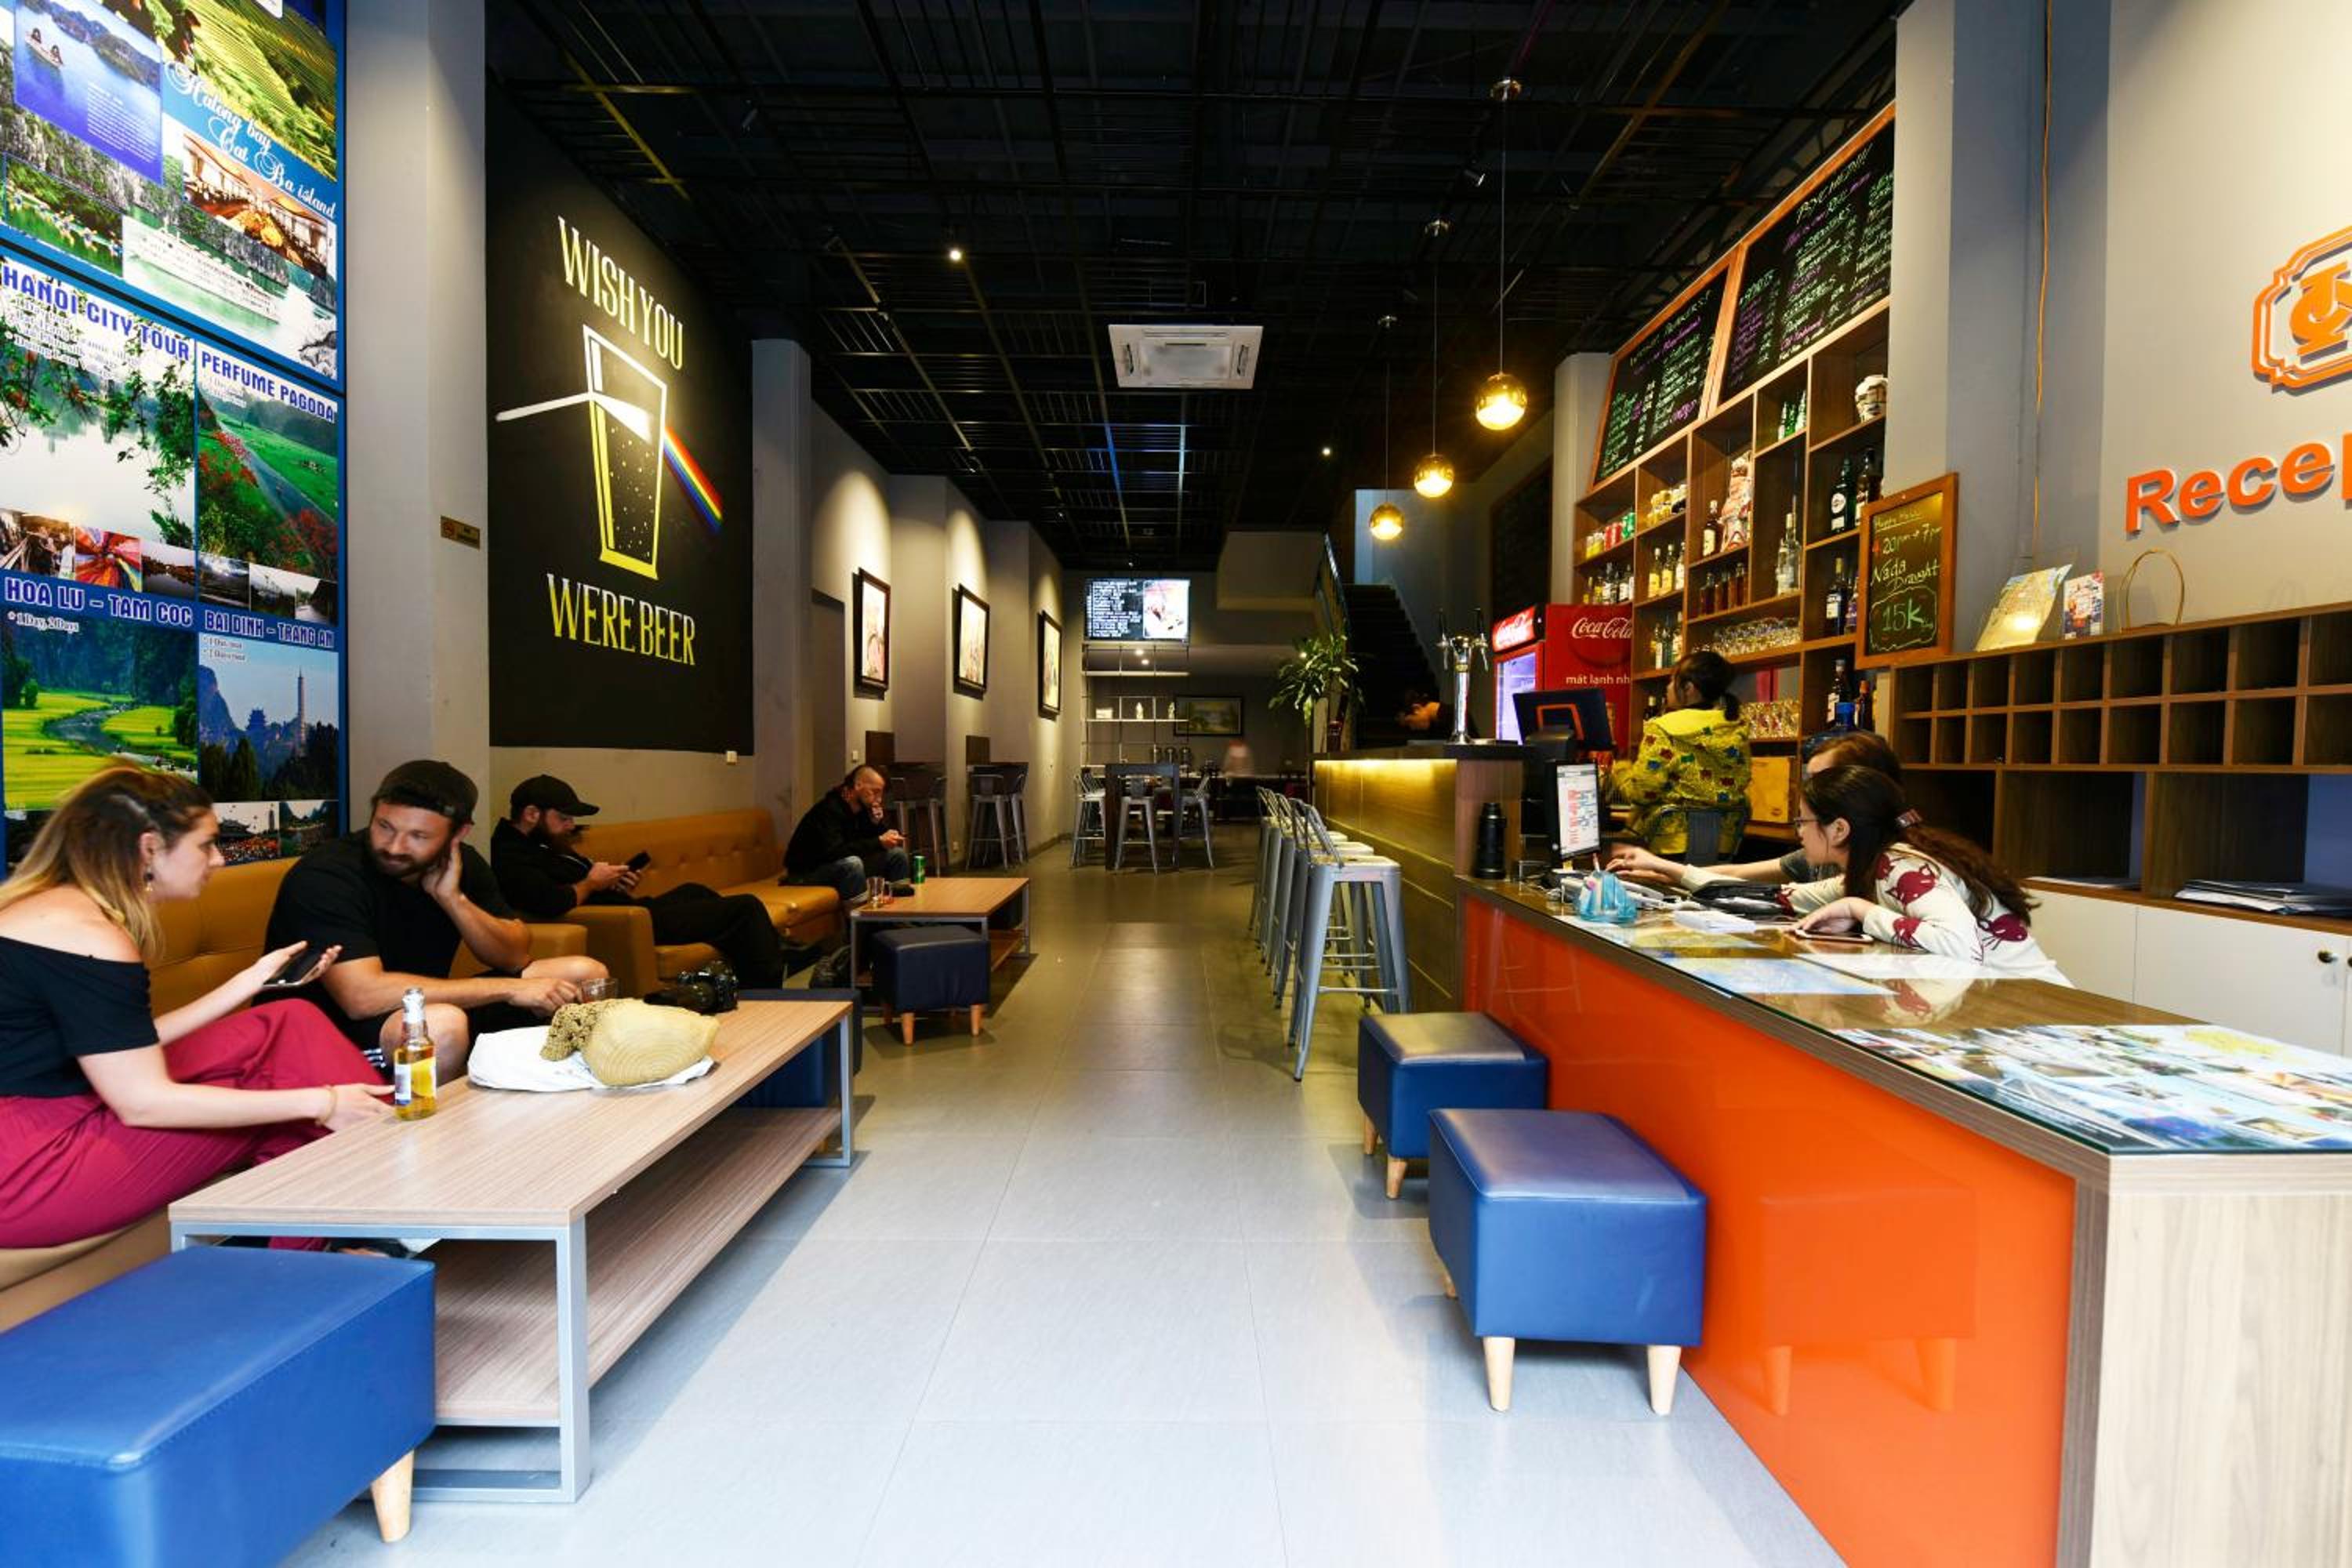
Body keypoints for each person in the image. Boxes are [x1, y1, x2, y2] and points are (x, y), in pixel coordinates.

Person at [0, 768, 392, 1250]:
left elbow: (117, 1046)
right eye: (206, 845)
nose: (219, 860)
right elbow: (142, 1101)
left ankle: (351, 1228)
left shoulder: (50, 908)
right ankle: (370, 1211)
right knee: (289, 1103)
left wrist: (247, 983)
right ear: (149, 848)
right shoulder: (90, 936)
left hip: (43, 1118)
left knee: (290, 1018)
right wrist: (323, 1102)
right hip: (27, 1170)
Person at [265, 760, 608, 1079]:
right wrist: (510, 989)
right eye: (384, 826)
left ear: (458, 835)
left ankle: (555, 1096)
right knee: (439, 1026)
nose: (395, 846)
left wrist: (453, 900)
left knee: (583, 974)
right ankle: (433, 1126)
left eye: (419, 836)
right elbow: (361, 997)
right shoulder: (327, 875)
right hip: (322, 1036)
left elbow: (515, 956)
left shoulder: (462, 864)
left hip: (413, 1010)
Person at [1693, 765, 2070, 982]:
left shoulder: (1900, 867)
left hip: (2033, 1005)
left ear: (1839, 829)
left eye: (1803, 822)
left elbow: (1960, 946)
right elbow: (1792, 896)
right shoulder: (1872, 867)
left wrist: (1859, 909)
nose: (1799, 833)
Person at [491, 775, 786, 988]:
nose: (571, 826)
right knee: (746, 908)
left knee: (694, 891)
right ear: (532, 814)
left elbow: (578, 884)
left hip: (629, 909)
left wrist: (614, 884)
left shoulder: (546, 843)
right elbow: (549, 902)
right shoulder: (510, 855)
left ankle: (743, 965)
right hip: (625, 922)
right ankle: (767, 993)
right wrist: (592, 883)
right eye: (564, 818)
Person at [1610, 728, 1901, 887]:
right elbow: (1736, 875)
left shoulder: (1887, 872)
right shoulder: (1825, 853)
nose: (1808, 791)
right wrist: (1665, 874)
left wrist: (1666, 869)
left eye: (1821, 780)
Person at [1610, 648, 1751, 859]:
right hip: (1723, 848)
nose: (1667, 688)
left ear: (1689, 688)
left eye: (1671, 681)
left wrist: (1620, 769)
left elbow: (1642, 792)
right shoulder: (1736, 727)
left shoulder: (1664, 728)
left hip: (1669, 847)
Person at [783, 766, 911, 902]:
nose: (879, 799)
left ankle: (901, 911)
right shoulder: (829, 809)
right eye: (875, 792)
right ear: (858, 785)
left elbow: (866, 842)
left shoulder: (861, 808)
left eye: (881, 794)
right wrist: (879, 842)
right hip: (806, 873)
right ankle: (859, 915)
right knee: (853, 864)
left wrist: (876, 824)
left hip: (838, 865)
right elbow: (836, 852)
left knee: (897, 855)